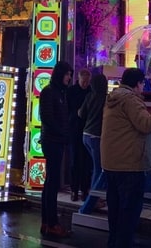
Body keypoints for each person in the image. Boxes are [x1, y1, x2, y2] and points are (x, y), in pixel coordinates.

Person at [102, 67, 151, 248]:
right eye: (143, 84)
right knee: (129, 212)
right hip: (129, 164)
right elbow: (146, 124)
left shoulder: (114, 98)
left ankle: (115, 243)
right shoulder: (130, 100)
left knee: (116, 211)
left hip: (112, 163)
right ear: (137, 84)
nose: (143, 88)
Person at [39, 61, 73, 238]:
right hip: (52, 142)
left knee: (51, 182)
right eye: (67, 74)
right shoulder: (49, 92)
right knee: (52, 183)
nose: (69, 77)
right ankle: (51, 223)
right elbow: (47, 118)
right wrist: (63, 133)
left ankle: (47, 222)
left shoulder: (61, 93)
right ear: (60, 74)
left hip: (57, 141)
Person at [79, 72, 108, 215]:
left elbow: (80, 114)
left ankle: (95, 197)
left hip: (85, 135)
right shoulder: (106, 99)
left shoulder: (89, 96)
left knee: (96, 167)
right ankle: (93, 200)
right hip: (97, 136)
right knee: (99, 169)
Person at [67, 68, 92, 201]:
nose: (85, 84)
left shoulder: (90, 92)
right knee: (75, 162)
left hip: (85, 130)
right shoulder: (71, 92)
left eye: (87, 82)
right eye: (84, 81)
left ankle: (84, 190)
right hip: (75, 130)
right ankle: (74, 189)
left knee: (86, 163)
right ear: (79, 79)